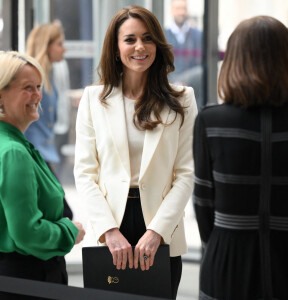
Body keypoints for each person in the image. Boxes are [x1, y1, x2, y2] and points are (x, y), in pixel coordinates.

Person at [74, 5, 197, 299]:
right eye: (129, 39)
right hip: (110, 226)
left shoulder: (183, 99)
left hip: (160, 226)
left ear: (158, 44)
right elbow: (85, 172)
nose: (140, 47)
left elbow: (186, 173)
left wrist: (157, 231)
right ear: (116, 49)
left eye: (147, 38)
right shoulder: (92, 99)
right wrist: (108, 231)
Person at [193, 16, 288, 300]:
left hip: (226, 267)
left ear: (234, 60)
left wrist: (220, 244)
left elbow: (203, 204)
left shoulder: (210, 121)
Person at [0, 51, 85, 299]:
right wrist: (70, 231)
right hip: (29, 281)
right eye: (28, 88)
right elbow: (27, 232)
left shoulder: (15, 144)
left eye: (38, 87)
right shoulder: (14, 152)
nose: (38, 95)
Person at [25, 22, 73, 220]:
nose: (64, 48)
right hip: (34, 156)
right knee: (62, 213)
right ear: (47, 45)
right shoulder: (32, 79)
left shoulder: (49, 77)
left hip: (44, 155)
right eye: (59, 44)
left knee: (58, 212)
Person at [165, 0, 203, 106]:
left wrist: (186, 81)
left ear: (188, 11)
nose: (181, 12)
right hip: (169, 93)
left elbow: (202, 66)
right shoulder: (163, 36)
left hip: (195, 95)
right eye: (178, 8)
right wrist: (175, 83)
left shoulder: (199, 36)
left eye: (184, 8)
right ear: (171, 11)